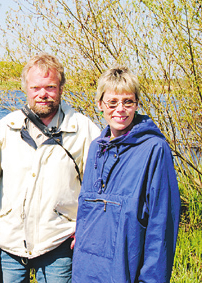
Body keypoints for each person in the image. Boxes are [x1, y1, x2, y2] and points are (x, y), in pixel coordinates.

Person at [0, 53, 100, 283]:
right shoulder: (6, 128)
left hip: (59, 244)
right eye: (36, 88)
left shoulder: (84, 131)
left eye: (50, 87)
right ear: (25, 89)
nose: (43, 94)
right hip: (7, 242)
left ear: (61, 88)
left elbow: (97, 189)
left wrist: (86, 227)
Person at [72, 66, 181, 282]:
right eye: (112, 102)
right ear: (100, 104)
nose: (120, 109)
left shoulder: (155, 149)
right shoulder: (95, 148)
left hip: (123, 271)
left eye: (128, 102)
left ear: (137, 104)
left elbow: (162, 227)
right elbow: (87, 211)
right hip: (86, 270)